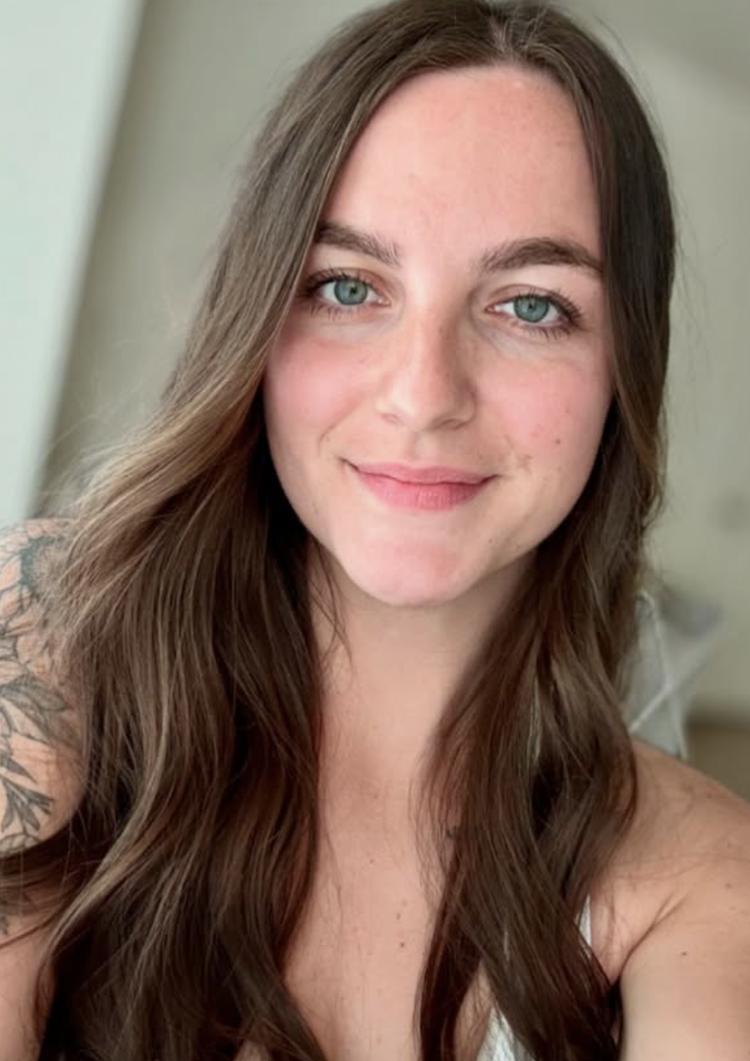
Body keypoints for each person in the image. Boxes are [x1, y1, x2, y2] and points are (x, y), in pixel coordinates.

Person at [1, 1, 749, 1058]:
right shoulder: (37, 635)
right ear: (254, 321)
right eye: (348, 286)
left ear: (624, 371)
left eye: (531, 305)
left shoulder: (702, 880)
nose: (424, 394)